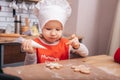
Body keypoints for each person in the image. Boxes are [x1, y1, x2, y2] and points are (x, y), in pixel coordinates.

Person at [21, 0, 89, 65]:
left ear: (62, 29)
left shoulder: (66, 43)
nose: (53, 33)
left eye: (58, 29)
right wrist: (31, 53)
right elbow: (29, 67)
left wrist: (77, 46)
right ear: (41, 28)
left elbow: (85, 53)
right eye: (48, 29)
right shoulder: (35, 44)